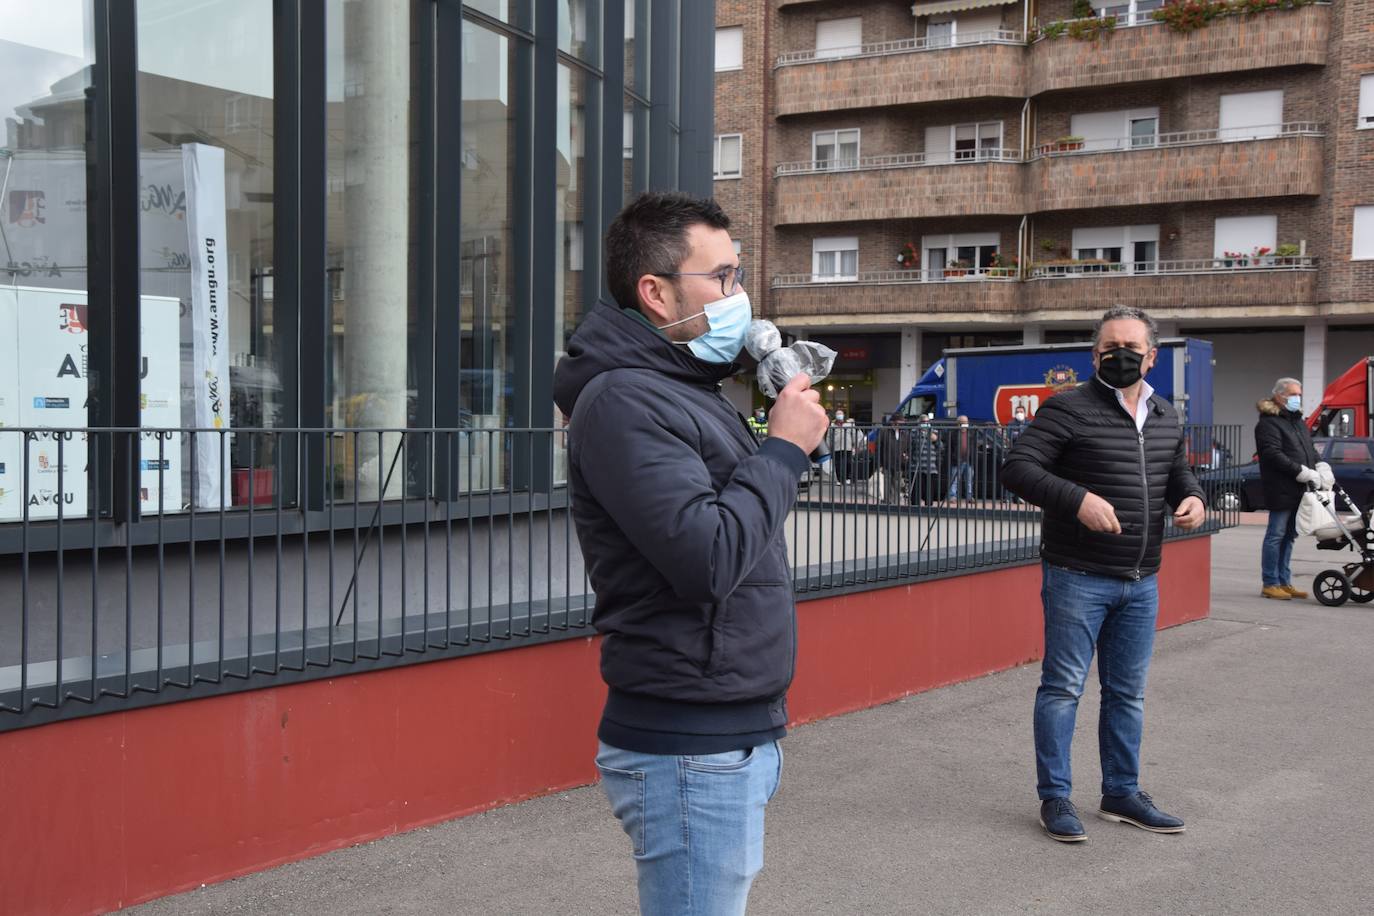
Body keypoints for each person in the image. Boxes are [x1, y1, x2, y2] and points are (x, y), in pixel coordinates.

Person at [551, 191, 828, 914]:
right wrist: (783, 450)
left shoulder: (688, 390)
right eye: (725, 277)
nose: (741, 296)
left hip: (730, 730)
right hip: (688, 744)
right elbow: (707, 559)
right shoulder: (623, 402)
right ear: (655, 289)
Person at [1002, 306, 1207, 844]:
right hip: (1077, 574)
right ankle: (1056, 798)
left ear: (1152, 357)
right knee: (1063, 688)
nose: (1120, 357)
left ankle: (1121, 792)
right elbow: (1018, 468)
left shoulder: (1165, 414)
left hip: (1141, 579)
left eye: (1131, 349)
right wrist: (1078, 500)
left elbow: (1176, 470)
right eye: (1109, 348)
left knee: (1127, 694)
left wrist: (1193, 496)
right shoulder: (1066, 409)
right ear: (1094, 355)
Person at [1255, 377, 1320, 600]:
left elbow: (1309, 449)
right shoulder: (1268, 423)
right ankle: (1270, 583)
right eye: (1293, 394)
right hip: (1281, 487)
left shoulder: (1297, 421)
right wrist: (1300, 471)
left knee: (1289, 536)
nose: (1297, 399)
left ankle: (1284, 581)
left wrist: (1320, 465)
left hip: (1299, 489)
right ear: (1280, 396)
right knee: (1276, 535)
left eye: (1299, 394)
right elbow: (1272, 454)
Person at [910, 415, 943, 506]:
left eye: (927, 422)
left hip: (930, 467)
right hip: (916, 467)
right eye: (924, 423)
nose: (926, 424)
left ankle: (928, 508)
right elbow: (910, 446)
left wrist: (935, 440)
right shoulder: (914, 432)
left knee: (929, 491)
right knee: (916, 491)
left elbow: (941, 447)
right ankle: (915, 507)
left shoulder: (934, 432)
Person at [947, 415, 977, 502]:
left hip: (968, 460)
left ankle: (969, 496)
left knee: (969, 481)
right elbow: (950, 447)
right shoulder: (953, 433)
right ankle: (952, 496)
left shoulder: (970, 433)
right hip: (957, 460)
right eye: (963, 422)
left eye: (966, 422)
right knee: (954, 480)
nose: (965, 424)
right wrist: (953, 457)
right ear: (958, 423)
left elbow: (974, 446)